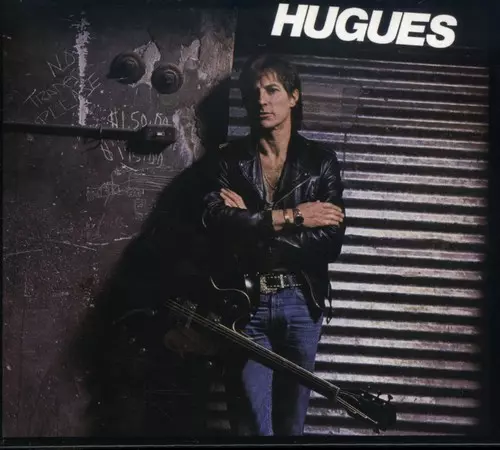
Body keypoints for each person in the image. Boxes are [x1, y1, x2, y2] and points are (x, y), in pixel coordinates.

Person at [199, 53, 346, 436]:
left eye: (272, 90)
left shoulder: (321, 162)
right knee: (251, 427)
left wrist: (250, 224)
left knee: (291, 425)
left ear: (293, 97)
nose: (262, 100)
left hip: (301, 302)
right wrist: (293, 217)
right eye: (254, 93)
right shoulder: (227, 161)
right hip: (245, 302)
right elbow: (214, 222)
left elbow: (329, 242)